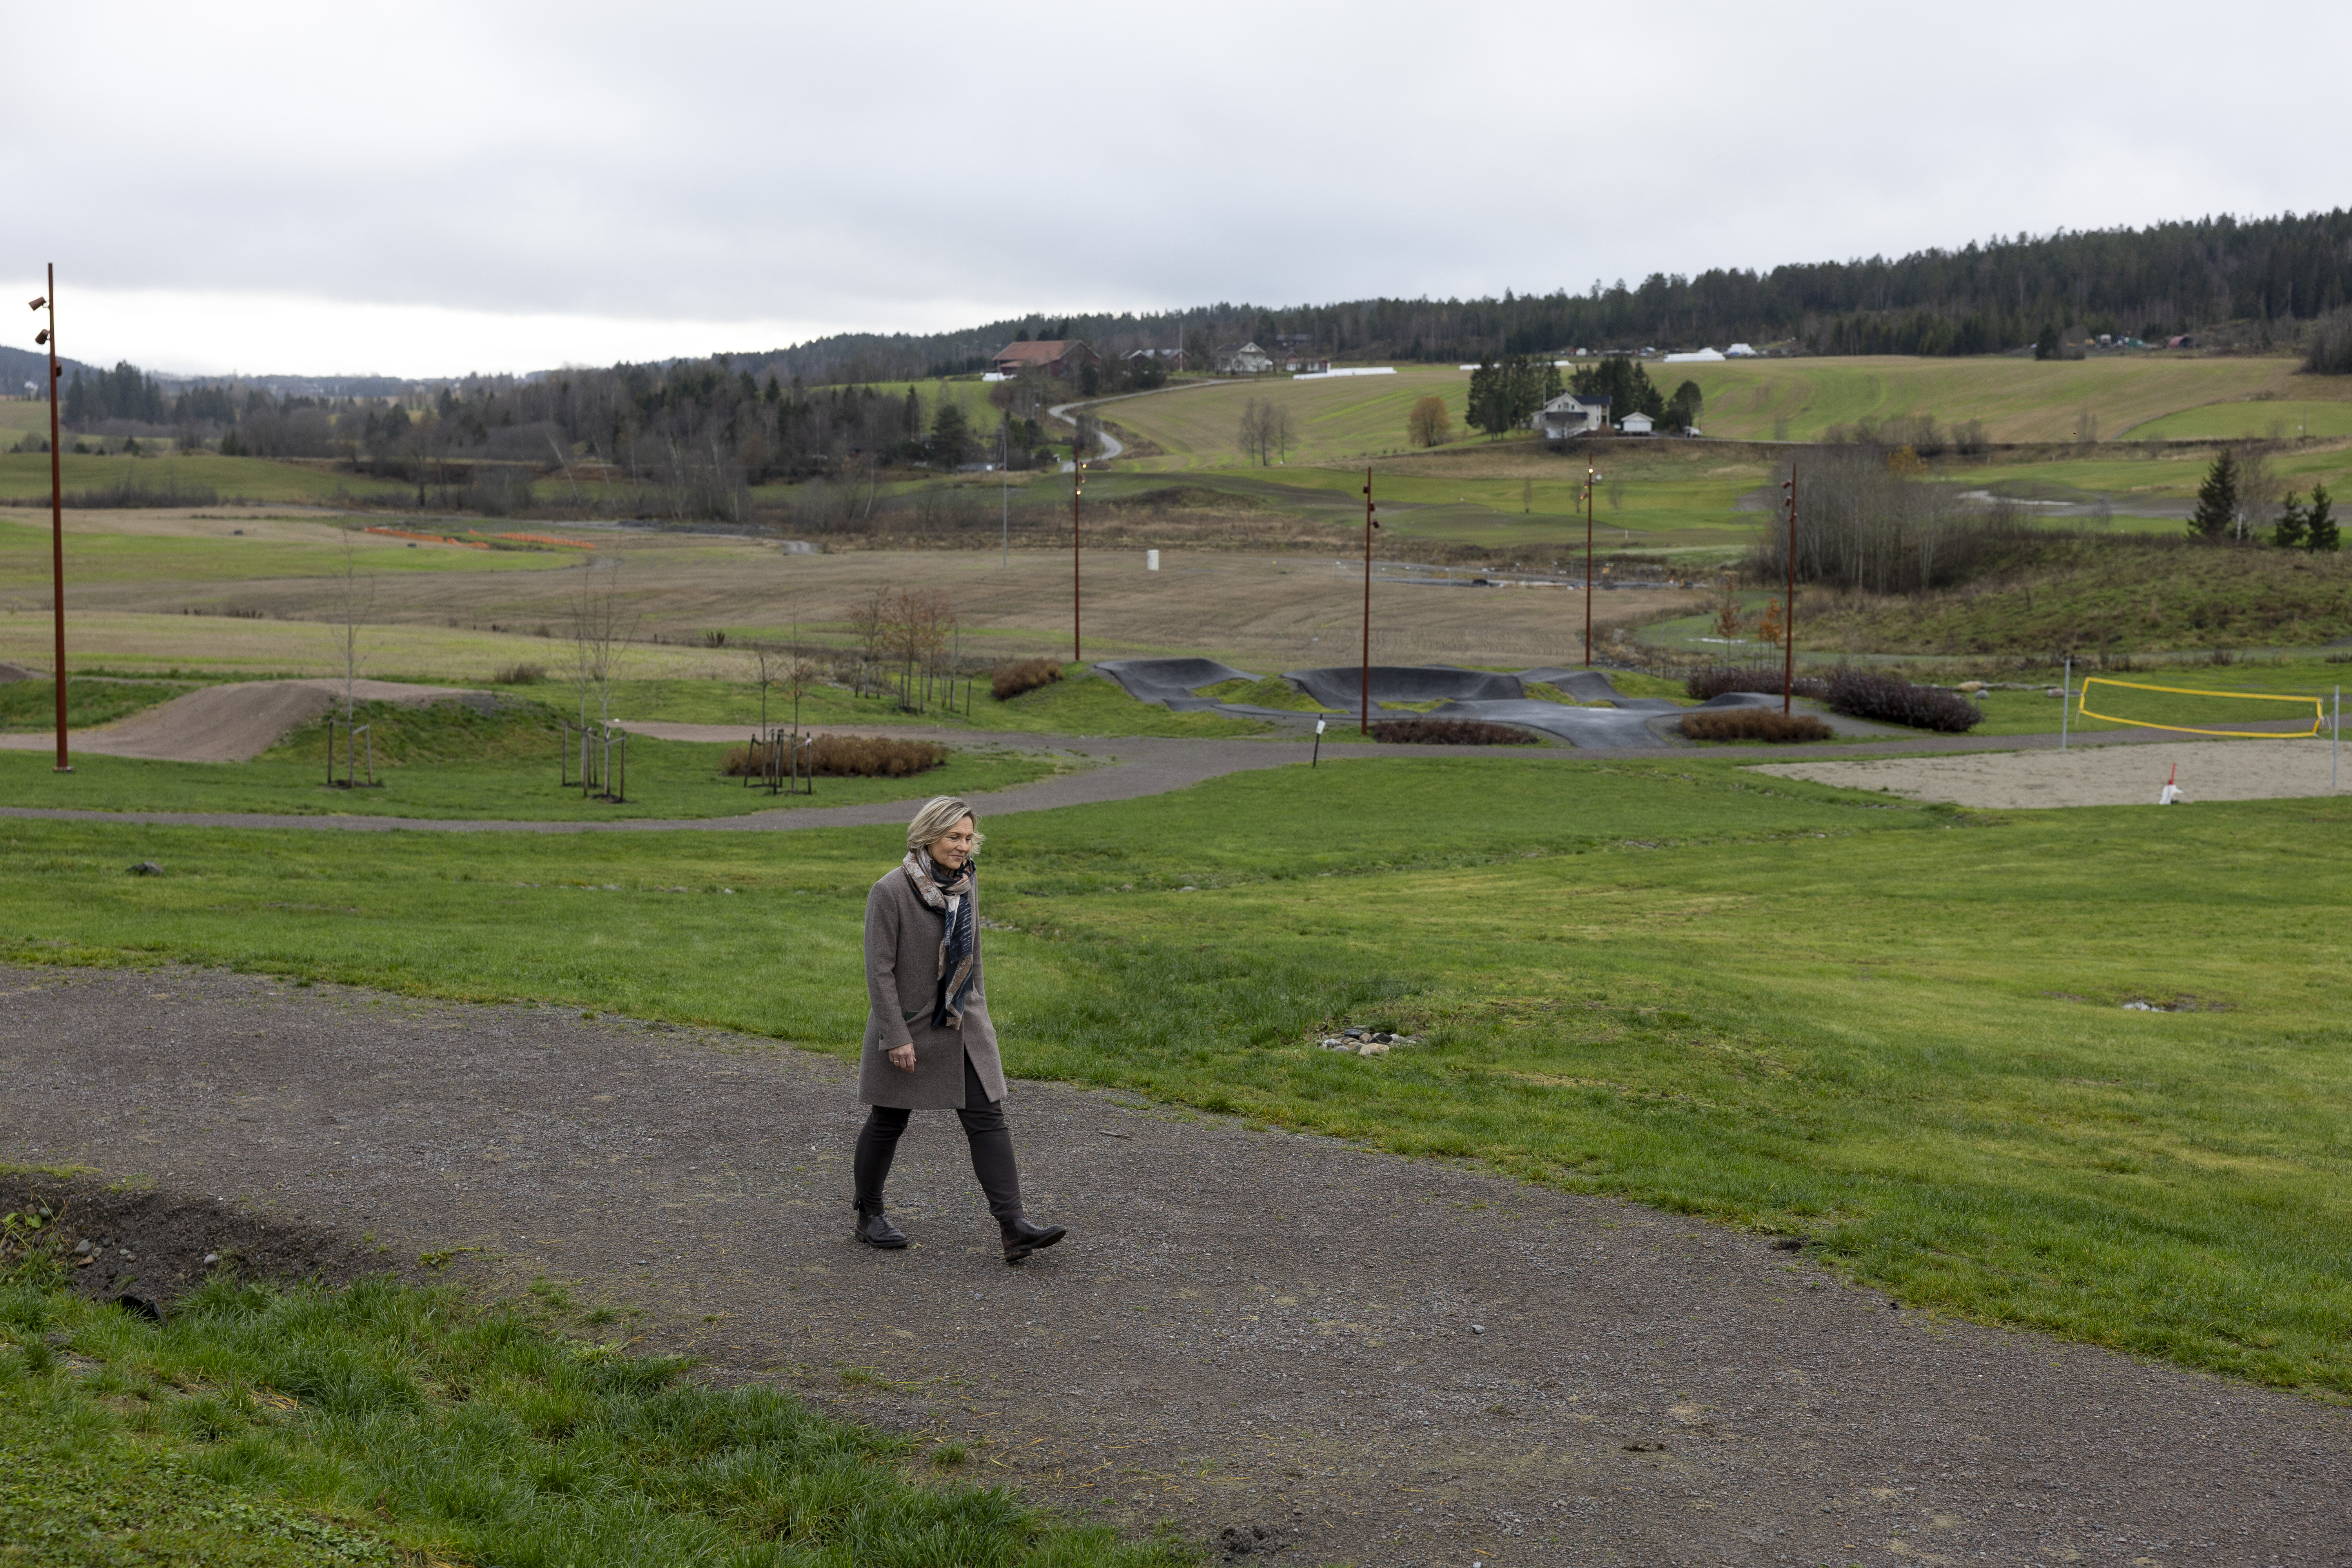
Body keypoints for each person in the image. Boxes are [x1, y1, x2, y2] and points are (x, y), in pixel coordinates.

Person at [853, 795, 1066, 1264]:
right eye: (954, 836)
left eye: (969, 838)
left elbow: (975, 959)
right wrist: (895, 1036)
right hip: (907, 1027)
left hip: (962, 1025)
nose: (963, 846)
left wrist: (979, 1012)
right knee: (889, 1120)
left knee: (987, 1117)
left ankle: (1014, 1228)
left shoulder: (966, 885)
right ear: (928, 837)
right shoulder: (889, 891)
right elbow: (879, 971)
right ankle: (869, 1214)